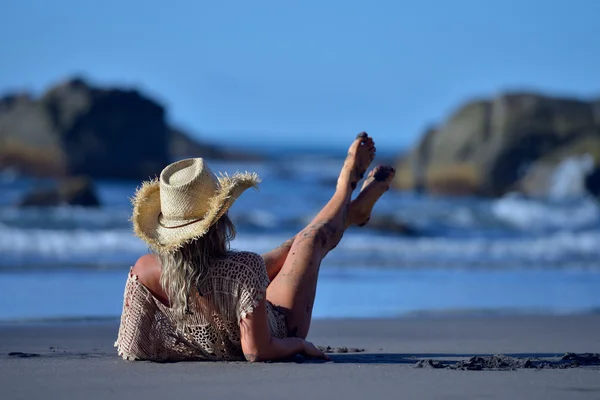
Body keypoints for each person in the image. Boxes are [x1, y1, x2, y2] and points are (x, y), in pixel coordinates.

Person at [115, 133, 395, 362]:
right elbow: (256, 351)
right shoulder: (242, 270)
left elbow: (131, 346)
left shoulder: (144, 271)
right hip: (281, 323)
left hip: (241, 293)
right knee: (308, 242)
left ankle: (349, 212)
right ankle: (344, 193)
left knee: (290, 248)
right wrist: (298, 343)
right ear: (218, 221)